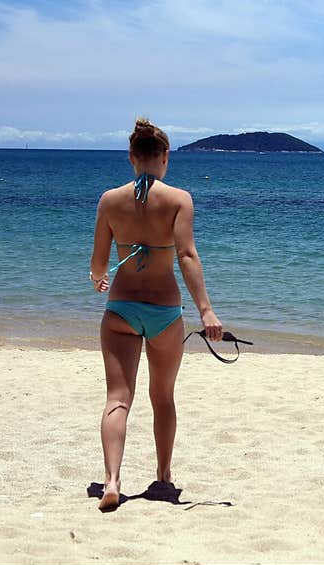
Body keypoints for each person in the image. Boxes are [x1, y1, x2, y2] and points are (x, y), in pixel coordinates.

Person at [89, 117, 222, 512]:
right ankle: (163, 477)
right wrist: (207, 311)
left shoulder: (110, 200)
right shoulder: (179, 199)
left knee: (117, 398)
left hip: (120, 310)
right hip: (164, 312)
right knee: (162, 397)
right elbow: (186, 255)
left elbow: (98, 266)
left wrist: (99, 279)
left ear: (131, 157)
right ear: (165, 157)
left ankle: (112, 480)